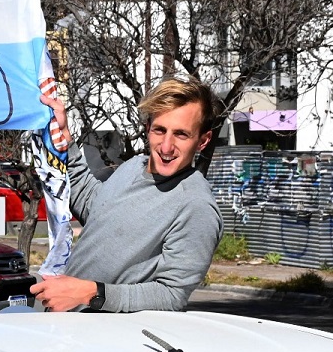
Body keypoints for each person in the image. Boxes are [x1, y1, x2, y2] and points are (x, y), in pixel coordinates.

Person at [32, 75, 223, 312]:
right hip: (67, 325)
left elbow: (172, 295)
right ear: (147, 129)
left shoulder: (196, 206)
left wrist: (91, 293)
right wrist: (65, 140)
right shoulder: (134, 166)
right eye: (159, 130)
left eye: (181, 134)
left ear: (203, 141)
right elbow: (93, 207)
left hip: (110, 341)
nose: (166, 146)